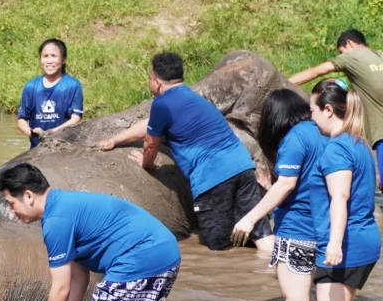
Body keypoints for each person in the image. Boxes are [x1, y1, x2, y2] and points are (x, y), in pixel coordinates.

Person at [0, 162, 181, 301]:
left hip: (141, 258)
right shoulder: (63, 205)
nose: (12, 210)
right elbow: (78, 279)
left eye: (11, 203)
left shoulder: (56, 221)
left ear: (28, 196)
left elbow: (61, 289)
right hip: (162, 254)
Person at [97, 52, 272, 251]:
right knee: (259, 232)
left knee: (221, 249)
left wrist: (146, 164)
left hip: (213, 178)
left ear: (156, 81)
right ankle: (272, 270)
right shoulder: (192, 98)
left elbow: (151, 143)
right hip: (243, 168)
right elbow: (149, 125)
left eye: (149, 78)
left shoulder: (162, 104)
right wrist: (115, 139)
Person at [288, 29, 383, 220]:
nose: (341, 56)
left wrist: (284, 84)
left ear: (349, 44)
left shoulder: (351, 57)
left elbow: (317, 71)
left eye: (341, 51)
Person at [230, 89, 326, 301]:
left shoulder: (294, 138)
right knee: (311, 297)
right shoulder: (324, 133)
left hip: (297, 229)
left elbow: (286, 184)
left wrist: (250, 219)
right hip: (324, 228)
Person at [307, 79, 381, 301]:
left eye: (312, 111)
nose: (311, 119)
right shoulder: (358, 142)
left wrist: (334, 244)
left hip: (346, 243)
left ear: (328, 110)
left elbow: (340, 197)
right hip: (364, 240)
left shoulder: (337, 149)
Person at [16, 38, 84, 148]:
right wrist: (32, 133)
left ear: (63, 59)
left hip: (63, 147)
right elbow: (21, 120)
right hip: (36, 149)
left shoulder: (73, 85)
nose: (49, 61)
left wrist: (50, 133)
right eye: (45, 56)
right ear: (40, 59)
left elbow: (76, 119)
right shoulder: (31, 87)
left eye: (53, 56)